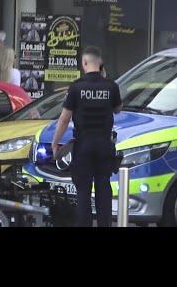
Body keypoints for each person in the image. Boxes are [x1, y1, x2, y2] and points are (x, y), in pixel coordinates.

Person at [51, 46, 122, 227]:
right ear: (100, 63)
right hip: (105, 146)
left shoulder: (76, 87)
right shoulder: (111, 86)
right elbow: (118, 109)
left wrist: (55, 143)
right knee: (103, 190)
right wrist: (104, 80)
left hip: (83, 146)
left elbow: (64, 119)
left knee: (83, 193)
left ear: (84, 63)